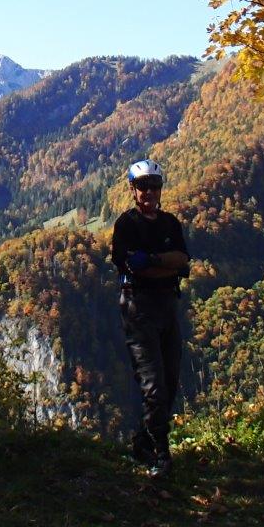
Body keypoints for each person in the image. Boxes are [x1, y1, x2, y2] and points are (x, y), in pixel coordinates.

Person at [110, 158, 190, 478]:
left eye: (154, 186)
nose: (149, 192)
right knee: (153, 383)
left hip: (167, 305)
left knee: (170, 381)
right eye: (142, 186)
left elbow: (183, 262)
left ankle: (143, 441)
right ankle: (161, 454)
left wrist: (154, 261)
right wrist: (165, 265)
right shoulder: (126, 225)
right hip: (138, 308)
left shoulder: (170, 223)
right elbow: (131, 266)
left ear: (160, 189)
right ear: (132, 189)